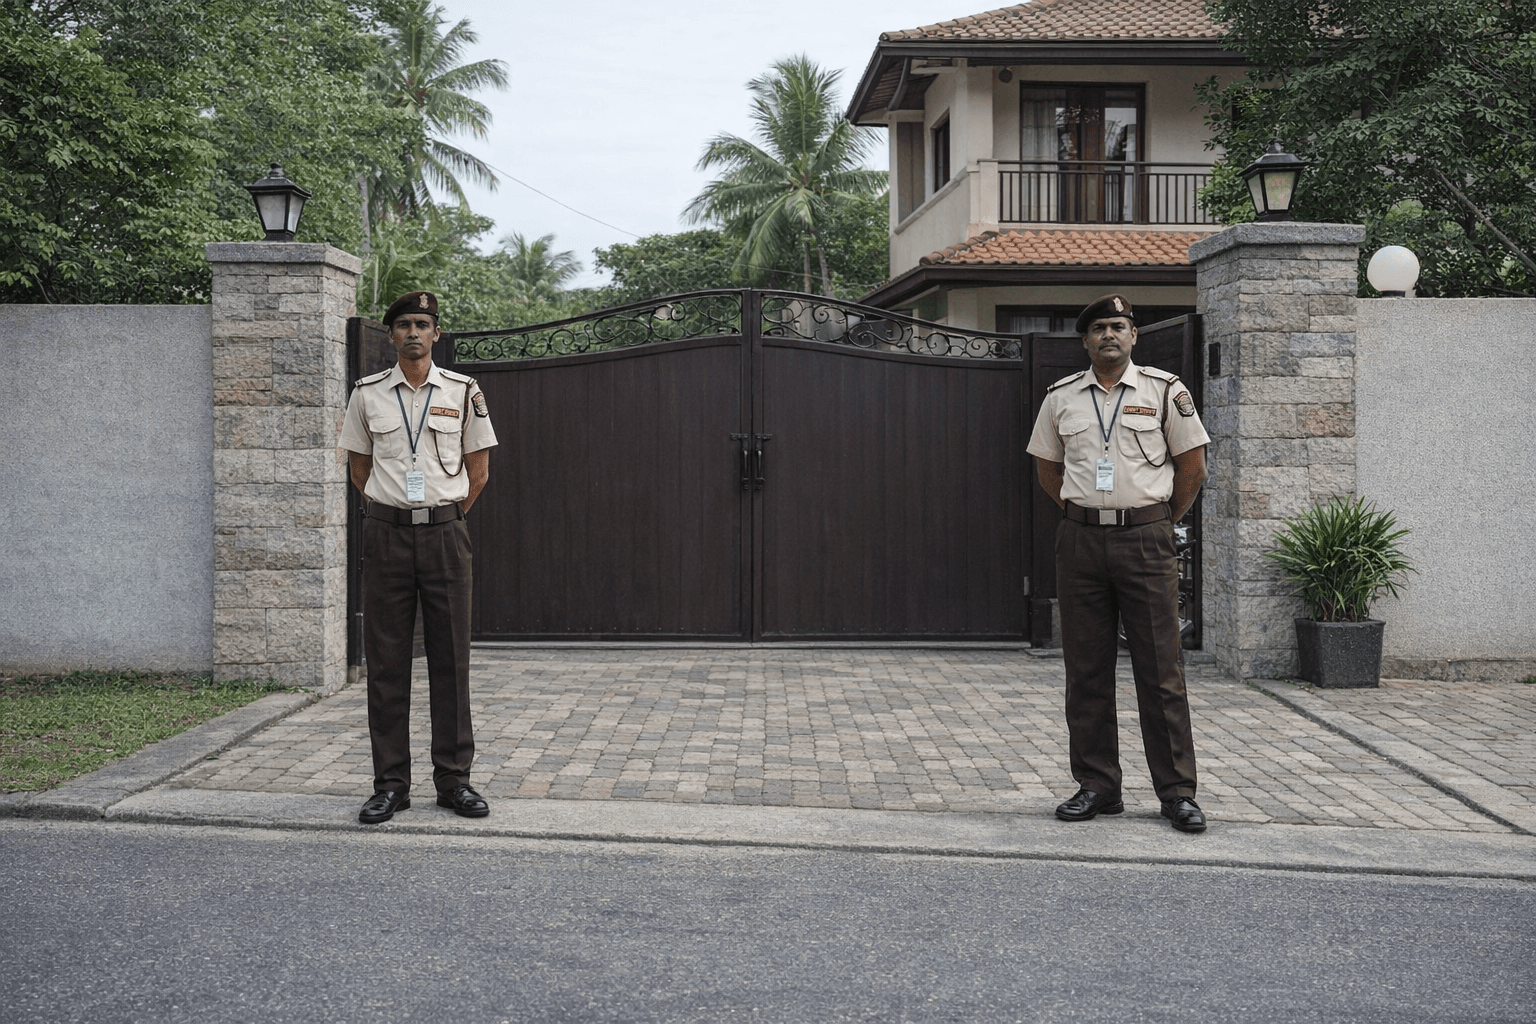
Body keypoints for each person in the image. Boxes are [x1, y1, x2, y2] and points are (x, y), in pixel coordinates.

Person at [1026, 295, 1211, 833]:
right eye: (1100, 328)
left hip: (1147, 541)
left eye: (1120, 326)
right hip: (1081, 543)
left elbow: (1192, 466)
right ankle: (1097, 786)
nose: (1110, 334)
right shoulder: (1061, 398)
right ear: (1085, 341)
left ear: (1134, 337)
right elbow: (1047, 469)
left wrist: (1156, 518)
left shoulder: (1164, 391)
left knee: (1161, 670)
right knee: (1086, 671)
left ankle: (1176, 793)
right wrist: (1085, 513)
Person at [340, 290, 498, 825]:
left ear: (435, 334)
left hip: (445, 537)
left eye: (422, 325)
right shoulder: (366, 395)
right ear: (391, 336)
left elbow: (478, 471)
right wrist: (393, 510)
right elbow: (359, 469)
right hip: (385, 537)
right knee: (385, 663)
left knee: (451, 659)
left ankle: (455, 781)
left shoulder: (463, 390)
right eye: (404, 324)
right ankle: (390, 785)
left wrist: (443, 516)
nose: (413, 332)